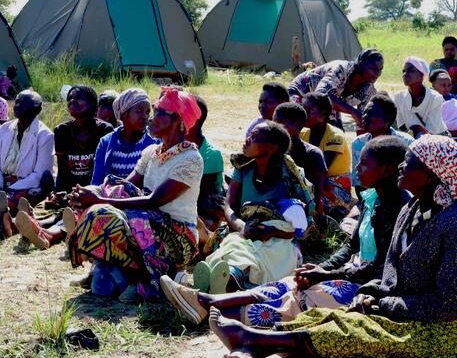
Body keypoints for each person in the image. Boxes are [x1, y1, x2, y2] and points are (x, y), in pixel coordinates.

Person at [206, 135, 457, 358]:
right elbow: (390, 271)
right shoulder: (410, 211)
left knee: (346, 332)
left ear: (432, 172)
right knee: (325, 318)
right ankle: (255, 344)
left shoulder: (451, 223)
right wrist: (371, 292)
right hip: (400, 311)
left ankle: (252, 340)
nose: (403, 165)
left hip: (436, 329)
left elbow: (447, 304)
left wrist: (382, 304)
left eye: (411, 161)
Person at [161, 136, 411, 327]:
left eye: (365, 164)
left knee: (302, 297)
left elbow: (381, 266)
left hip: (373, 285)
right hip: (353, 271)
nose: (358, 168)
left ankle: (213, 312)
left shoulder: (398, 208)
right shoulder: (370, 200)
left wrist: (326, 274)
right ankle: (206, 300)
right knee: (286, 283)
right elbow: (350, 247)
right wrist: (321, 268)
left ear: (388, 170)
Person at [68, 87, 203, 302]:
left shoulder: (190, 159)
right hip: (147, 224)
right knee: (100, 197)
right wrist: (88, 194)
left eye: (158, 112)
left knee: (106, 212)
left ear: (177, 120)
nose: (152, 117)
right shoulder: (153, 152)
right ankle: (113, 269)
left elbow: (154, 201)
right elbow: (125, 186)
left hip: (176, 237)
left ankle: (150, 278)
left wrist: (99, 200)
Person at [196, 122, 313, 294]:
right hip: (245, 231)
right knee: (235, 245)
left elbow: (298, 228)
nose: (247, 140)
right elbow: (228, 206)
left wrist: (272, 231)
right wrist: (243, 227)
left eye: (255, 137)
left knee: (268, 253)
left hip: (280, 238)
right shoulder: (242, 167)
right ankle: (222, 279)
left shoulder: (289, 176)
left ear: (272, 148)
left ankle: (226, 282)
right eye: (249, 134)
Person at [14, 85, 112, 249]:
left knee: (74, 209)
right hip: (70, 190)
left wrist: (88, 193)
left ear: (93, 105)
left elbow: (104, 172)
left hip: (93, 191)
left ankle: (46, 234)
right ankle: (31, 223)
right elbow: (63, 170)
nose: (72, 101)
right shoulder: (62, 131)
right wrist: (58, 191)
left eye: (78, 98)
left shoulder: (104, 130)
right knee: (57, 208)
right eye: (69, 99)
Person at [0, 90, 55, 239]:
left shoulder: (45, 135)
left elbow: (39, 174)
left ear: (37, 109)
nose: (17, 106)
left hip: (24, 184)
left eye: (24, 103)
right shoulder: (3, 129)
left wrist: (9, 189)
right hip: (1, 182)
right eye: (17, 102)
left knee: (14, 198)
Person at [288, 48, 383, 129]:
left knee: (337, 133)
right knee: (298, 123)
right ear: (361, 64)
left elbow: (362, 122)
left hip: (326, 106)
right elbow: (321, 96)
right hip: (300, 92)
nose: (378, 73)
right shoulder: (340, 69)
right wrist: (352, 111)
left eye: (380, 69)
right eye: (373, 68)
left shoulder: (369, 90)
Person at [300, 92, 353, 219]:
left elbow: (321, 170)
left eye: (309, 110)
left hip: (335, 187)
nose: (304, 114)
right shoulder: (302, 133)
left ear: (324, 113)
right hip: (312, 181)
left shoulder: (335, 136)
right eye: (303, 109)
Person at [90, 88, 159, 185]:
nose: (145, 116)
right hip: (108, 198)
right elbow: (97, 181)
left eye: (147, 112)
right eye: (139, 110)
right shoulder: (106, 142)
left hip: (143, 199)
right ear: (124, 114)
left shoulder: (155, 143)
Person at [350, 94, 413, 195]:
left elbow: (411, 181)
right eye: (364, 112)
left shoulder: (407, 143)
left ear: (387, 121)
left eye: (371, 113)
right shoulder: (358, 143)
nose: (365, 116)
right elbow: (359, 185)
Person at [272, 103, 327, 212]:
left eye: (280, 124)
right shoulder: (271, 151)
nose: (274, 129)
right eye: (274, 124)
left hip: (302, 210)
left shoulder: (313, 154)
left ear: (297, 125)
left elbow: (316, 197)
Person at [186, 96, 225, 233]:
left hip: (202, 209)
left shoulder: (211, 154)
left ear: (194, 119)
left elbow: (203, 198)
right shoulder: (173, 145)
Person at [394, 56, 448, 138]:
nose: (405, 74)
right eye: (404, 71)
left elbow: (433, 131)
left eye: (410, 70)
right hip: (411, 138)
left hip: (436, 139)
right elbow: (401, 126)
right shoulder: (399, 97)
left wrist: (416, 129)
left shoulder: (435, 98)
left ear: (422, 74)